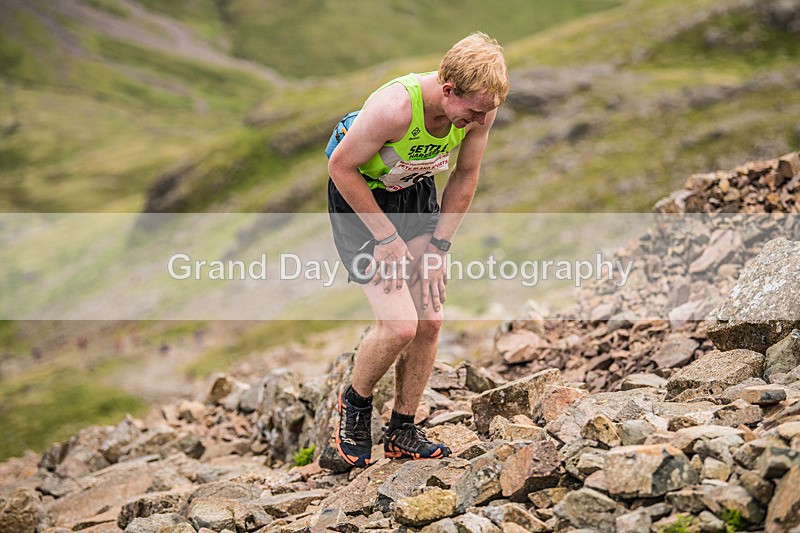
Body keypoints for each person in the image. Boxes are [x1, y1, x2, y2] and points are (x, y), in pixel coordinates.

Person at [325, 32, 508, 467]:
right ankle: (354, 407)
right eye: (473, 111)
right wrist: (386, 238)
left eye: (486, 111)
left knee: (430, 318)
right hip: (361, 198)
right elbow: (340, 168)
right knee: (400, 326)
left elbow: (465, 176)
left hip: (413, 189)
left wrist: (439, 247)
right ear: (448, 90)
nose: (479, 120)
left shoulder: (484, 107)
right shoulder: (395, 108)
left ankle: (402, 430)